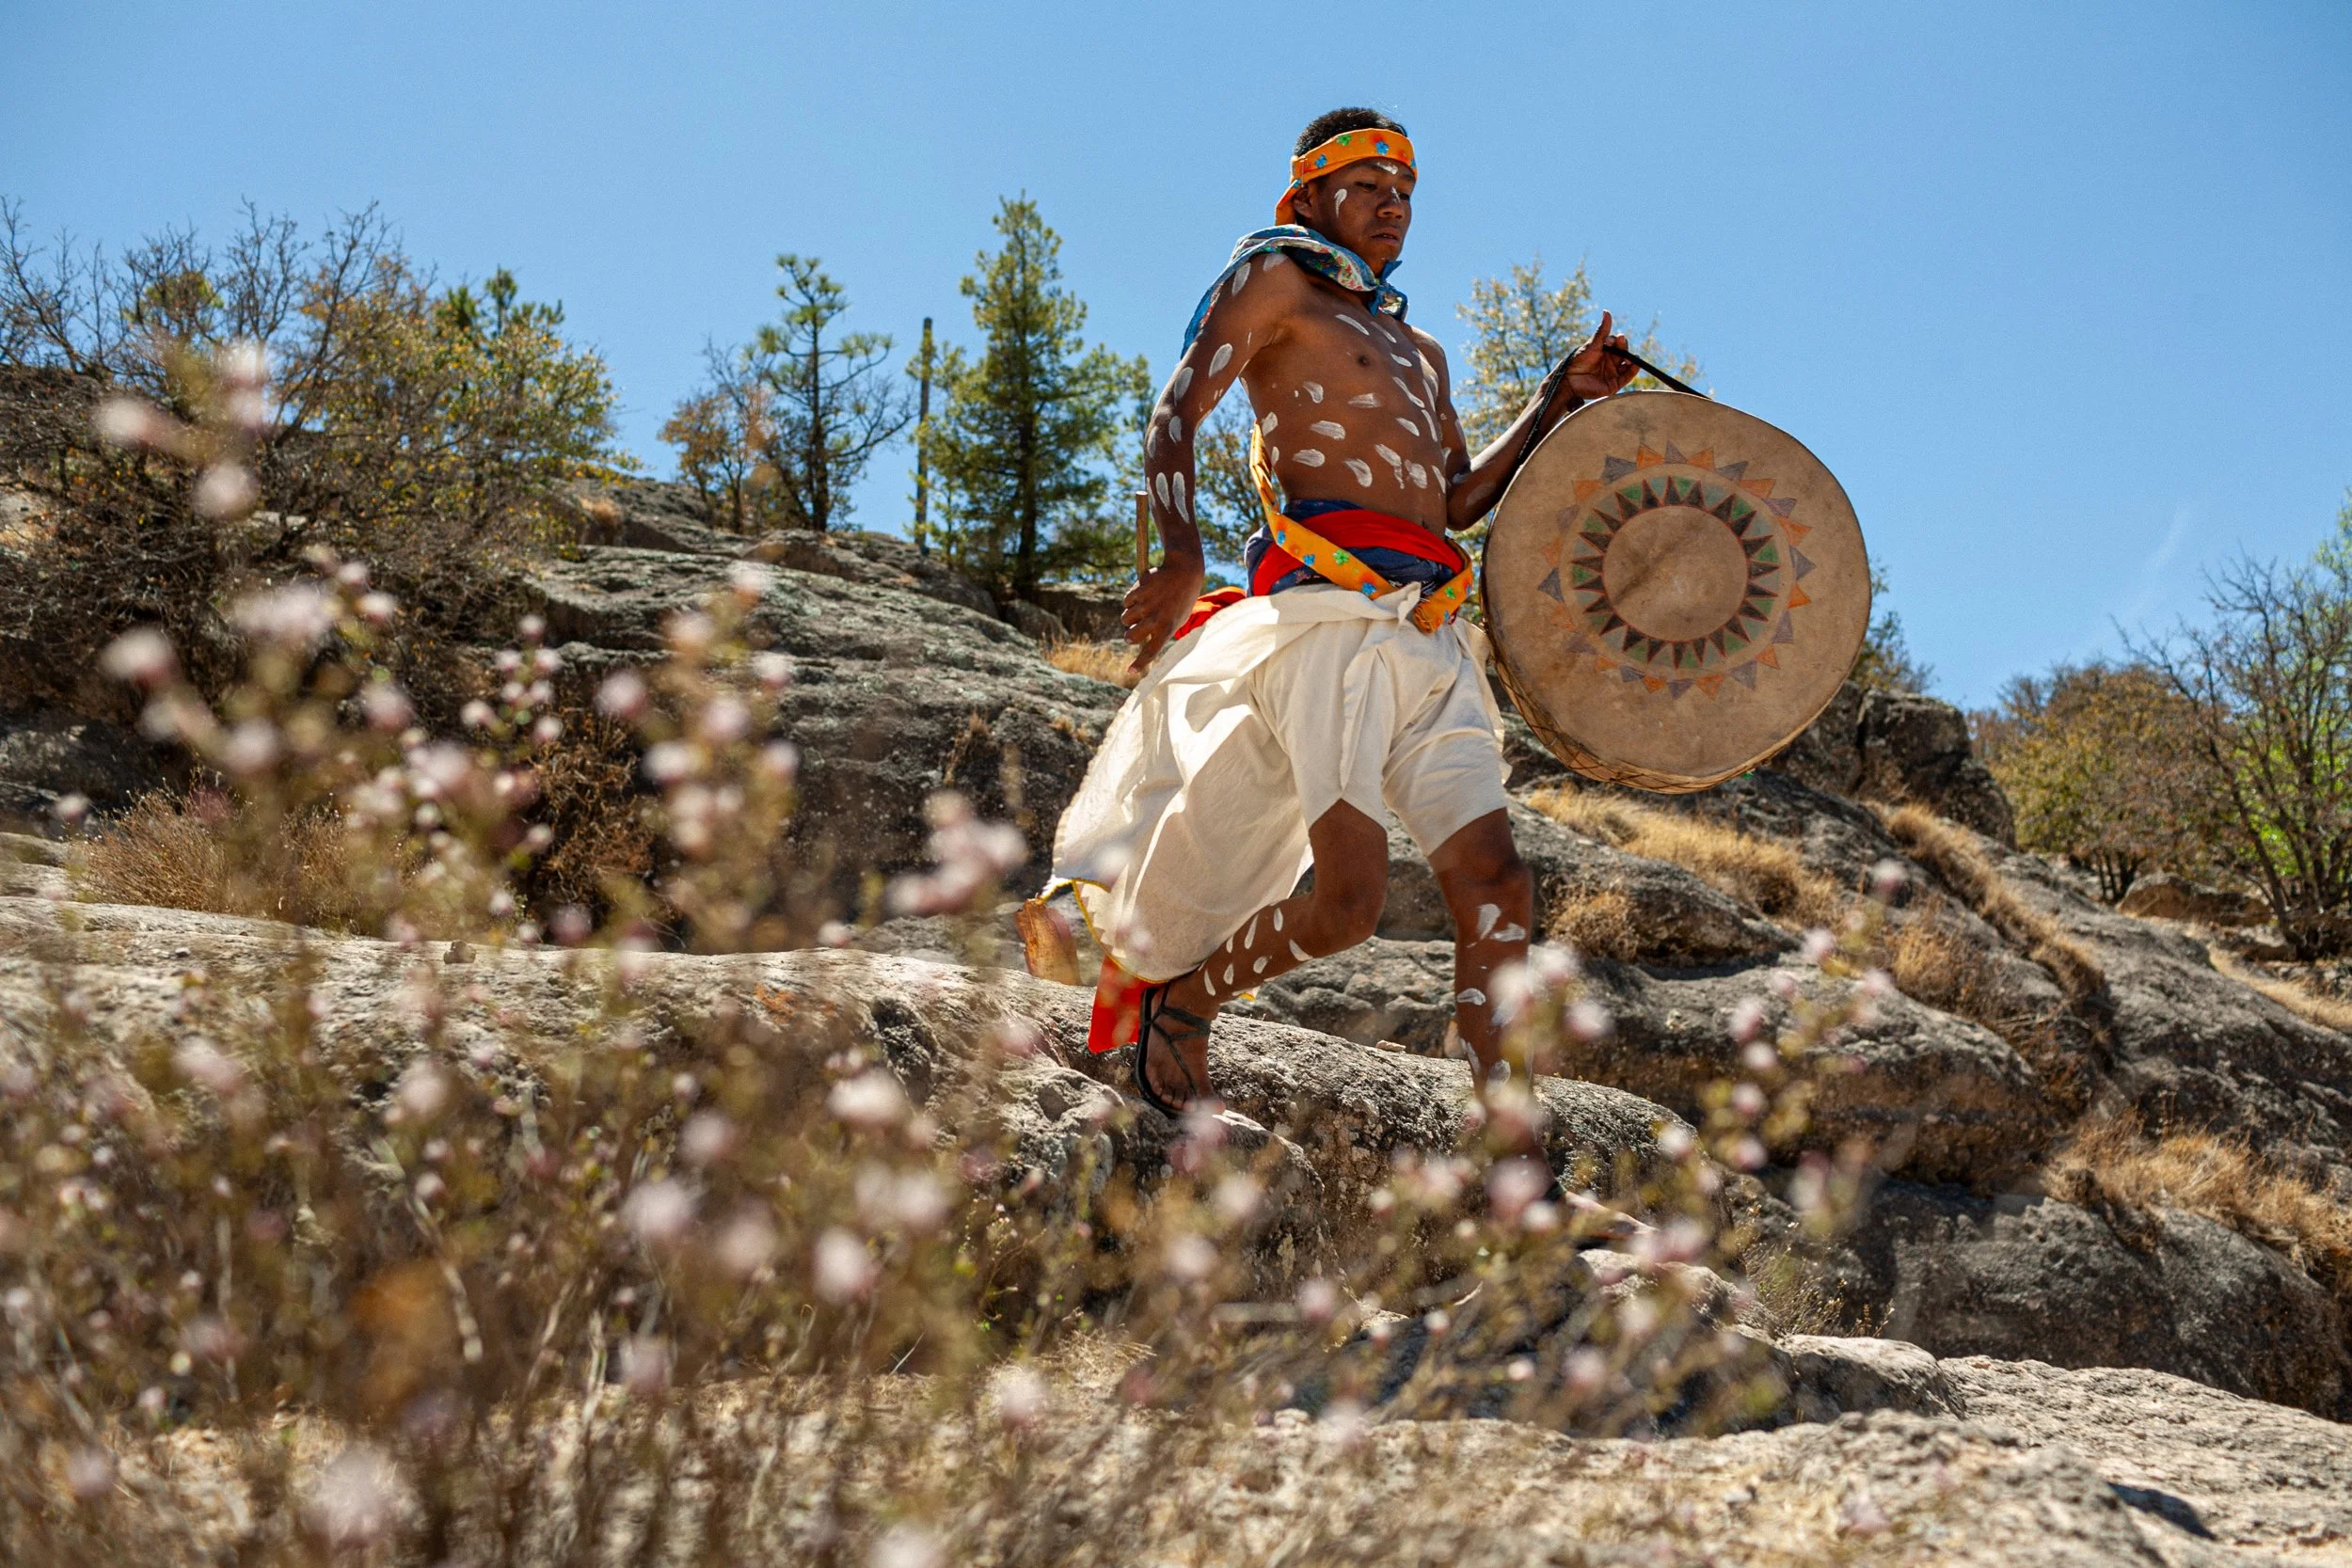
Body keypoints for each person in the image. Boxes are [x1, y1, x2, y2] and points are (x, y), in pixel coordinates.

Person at [1040, 106, 1638, 1115]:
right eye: (1367, 186)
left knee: (1498, 883)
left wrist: (1554, 402)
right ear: (1307, 193)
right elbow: (1176, 408)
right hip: (1328, 622)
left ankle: (1508, 1135)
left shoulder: (1420, 351)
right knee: (1348, 904)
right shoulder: (1273, 282)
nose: (1392, 205)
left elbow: (1452, 503)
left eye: (1404, 191)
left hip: (1431, 630)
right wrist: (1181, 550)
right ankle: (1186, 998)